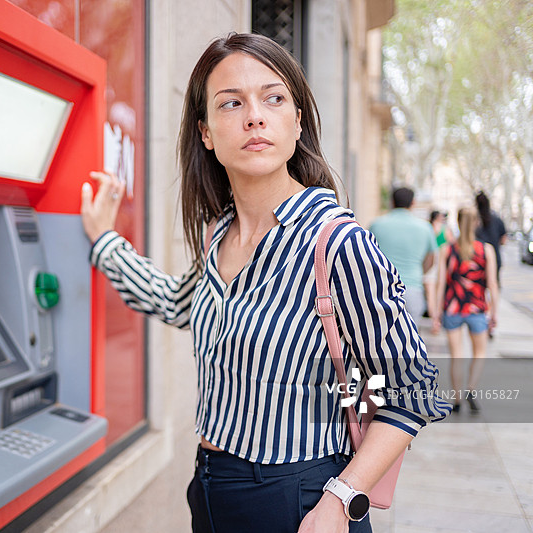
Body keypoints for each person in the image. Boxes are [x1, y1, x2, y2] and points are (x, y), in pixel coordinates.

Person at [80, 33, 450, 533]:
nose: (254, 115)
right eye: (231, 103)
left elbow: (415, 390)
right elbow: (176, 300)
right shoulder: (218, 233)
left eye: (273, 98)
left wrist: (340, 499)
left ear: (297, 121)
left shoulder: (337, 243)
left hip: (298, 498)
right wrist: (104, 240)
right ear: (207, 132)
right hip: (209, 489)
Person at [432, 207, 499, 414]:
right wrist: (494, 312)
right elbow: (492, 284)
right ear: (477, 223)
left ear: (458, 223)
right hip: (477, 308)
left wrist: (435, 312)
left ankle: (457, 399)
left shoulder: (447, 250)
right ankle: (470, 389)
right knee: (479, 353)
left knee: (457, 355)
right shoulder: (486, 250)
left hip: (453, 308)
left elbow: (440, 283)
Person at [368, 187, 437, 325]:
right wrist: (419, 271)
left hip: (382, 289)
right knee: (411, 338)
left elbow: (368, 254)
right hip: (413, 288)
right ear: (413, 203)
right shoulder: (425, 228)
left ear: (392, 202)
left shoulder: (376, 225)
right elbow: (431, 259)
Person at [423, 210, 452, 318]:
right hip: (441, 260)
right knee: (439, 288)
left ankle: (432, 316)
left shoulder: (428, 228)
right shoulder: (445, 229)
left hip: (429, 259)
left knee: (429, 291)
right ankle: (438, 314)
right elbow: (451, 245)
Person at [475, 191, 506, 286]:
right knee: (493, 285)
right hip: (495, 259)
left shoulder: (474, 221)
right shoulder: (496, 220)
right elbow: (504, 240)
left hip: (476, 260)